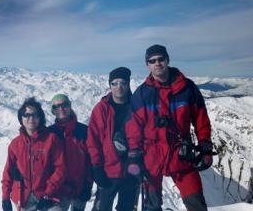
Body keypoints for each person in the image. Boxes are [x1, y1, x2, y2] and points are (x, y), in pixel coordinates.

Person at [124, 44, 216, 211]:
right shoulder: (141, 94)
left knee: (197, 205)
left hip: (182, 156)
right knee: (151, 207)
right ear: (148, 65)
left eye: (160, 59)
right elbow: (133, 128)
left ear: (167, 60)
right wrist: (134, 155)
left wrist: (205, 146)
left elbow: (201, 119)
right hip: (151, 159)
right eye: (152, 61)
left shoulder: (187, 88)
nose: (157, 63)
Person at [87, 67, 139, 211]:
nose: (119, 87)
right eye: (114, 83)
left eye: (122, 83)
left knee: (127, 208)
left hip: (132, 170)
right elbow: (93, 140)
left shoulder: (137, 107)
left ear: (128, 84)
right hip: (108, 170)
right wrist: (97, 167)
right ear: (110, 86)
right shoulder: (101, 109)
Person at [3, 98, 69, 211]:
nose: (31, 118)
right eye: (26, 115)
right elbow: (8, 172)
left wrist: (47, 194)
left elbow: (60, 169)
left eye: (35, 114)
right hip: (24, 197)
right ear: (21, 118)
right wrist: (5, 198)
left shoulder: (51, 140)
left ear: (40, 117)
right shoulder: (15, 144)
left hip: (49, 196)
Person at [51, 94, 91, 211]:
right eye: (56, 106)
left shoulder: (83, 131)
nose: (61, 109)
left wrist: (88, 185)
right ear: (53, 111)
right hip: (58, 189)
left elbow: (90, 160)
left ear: (70, 106)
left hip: (80, 187)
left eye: (65, 105)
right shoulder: (49, 133)